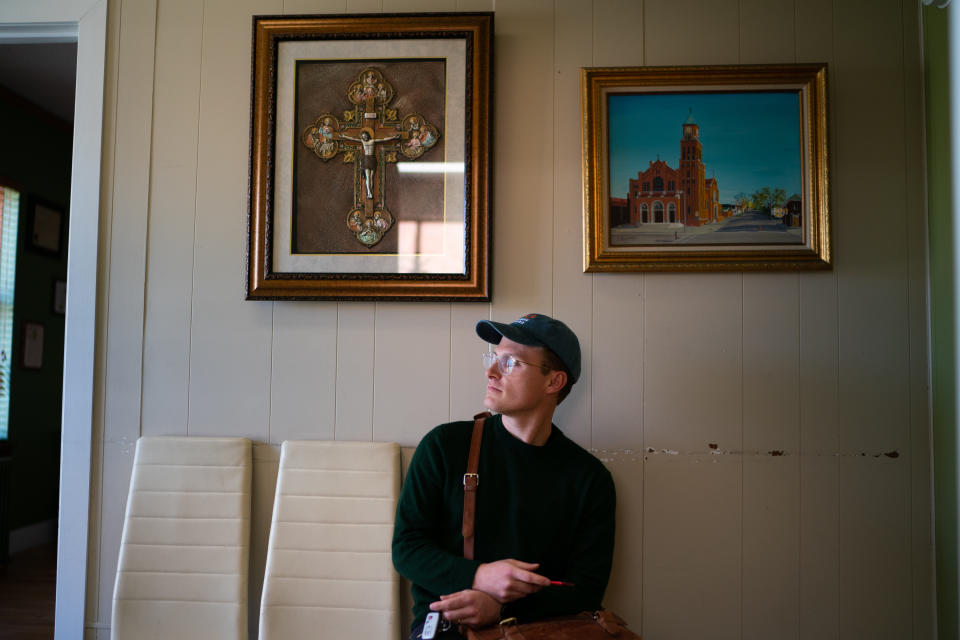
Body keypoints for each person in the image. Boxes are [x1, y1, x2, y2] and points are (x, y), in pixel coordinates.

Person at [392, 313, 616, 639]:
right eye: (494, 358)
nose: (491, 371)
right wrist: (479, 576)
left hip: (540, 632)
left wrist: (501, 609)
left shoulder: (589, 479)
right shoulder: (445, 445)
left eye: (511, 363)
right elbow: (407, 549)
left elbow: (586, 589)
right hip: (447, 628)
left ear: (554, 382)